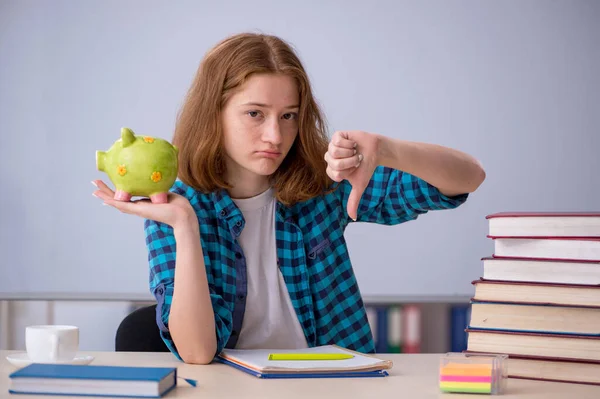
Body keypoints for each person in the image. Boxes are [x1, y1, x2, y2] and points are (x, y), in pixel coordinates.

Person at [92, 32, 485, 364]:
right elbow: (196, 353)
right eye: (254, 114)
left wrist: (387, 150)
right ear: (215, 114)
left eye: (288, 115)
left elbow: (468, 177)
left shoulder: (323, 184)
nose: (275, 137)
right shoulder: (175, 206)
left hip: (335, 386)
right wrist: (184, 227)